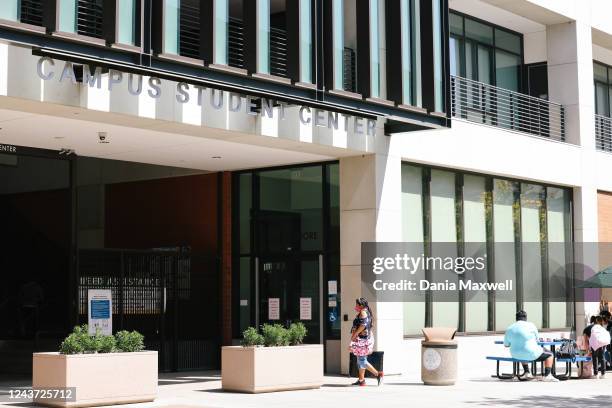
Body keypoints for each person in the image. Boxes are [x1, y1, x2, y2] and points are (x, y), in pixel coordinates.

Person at [504, 310, 558, 382]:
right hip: (531, 354)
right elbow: (537, 340)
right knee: (550, 354)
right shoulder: (531, 325)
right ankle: (547, 375)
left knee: (522, 350)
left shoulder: (509, 328)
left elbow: (506, 345)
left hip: (515, 355)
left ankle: (527, 372)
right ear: (526, 318)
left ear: (516, 318)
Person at [349, 298, 383, 386]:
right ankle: (361, 380)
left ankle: (378, 374)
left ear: (361, 305)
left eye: (357, 305)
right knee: (360, 360)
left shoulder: (363, 312)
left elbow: (363, 325)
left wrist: (355, 334)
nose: (355, 306)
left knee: (362, 360)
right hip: (363, 339)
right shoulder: (366, 311)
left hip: (362, 340)